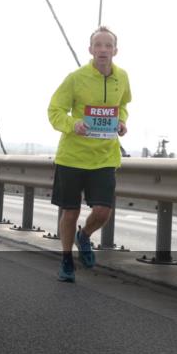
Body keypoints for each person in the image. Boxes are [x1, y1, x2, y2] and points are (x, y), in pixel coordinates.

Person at [47, 26, 131, 282]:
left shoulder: (123, 77)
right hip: (72, 157)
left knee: (104, 211)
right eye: (98, 45)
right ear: (90, 49)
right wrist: (74, 124)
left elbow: (123, 105)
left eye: (108, 45)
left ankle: (84, 237)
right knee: (70, 212)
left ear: (115, 50)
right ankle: (66, 261)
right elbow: (54, 110)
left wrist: (122, 122)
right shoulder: (76, 78)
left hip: (105, 157)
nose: (103, 50)